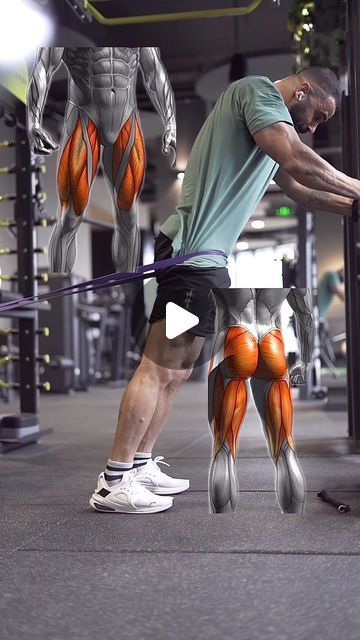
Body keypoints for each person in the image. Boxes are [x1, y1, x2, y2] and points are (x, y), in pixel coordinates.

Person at [90, 67, 360, 514]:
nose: (315, 126)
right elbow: (297, 159)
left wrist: (351, 206)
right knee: (159, 367)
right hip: (191, 254)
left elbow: (303, 191)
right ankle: (113, 480)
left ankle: (138, 465)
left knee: (178, 372)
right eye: (319, 114)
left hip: (206, 261)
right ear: (303, 90)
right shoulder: (256, 93)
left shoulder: (271, 133)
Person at [27, 47, 176, 273]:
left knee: (130, 217)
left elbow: (154, 71)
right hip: (84, 114)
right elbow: (43, 66)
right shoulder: (73, 22)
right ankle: (61, 299)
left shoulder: (131, 23)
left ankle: (128, 294)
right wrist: (33, 122)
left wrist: (171, 122)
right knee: (69, 218)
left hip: (126, 115)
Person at [208, 288, 314, 514]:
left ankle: (220, 528)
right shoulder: (286, 275)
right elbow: (305, 314)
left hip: (233, 338)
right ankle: (294, 522)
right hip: (272, 341)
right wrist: (304, 361)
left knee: (223, 447)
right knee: (285, 444)